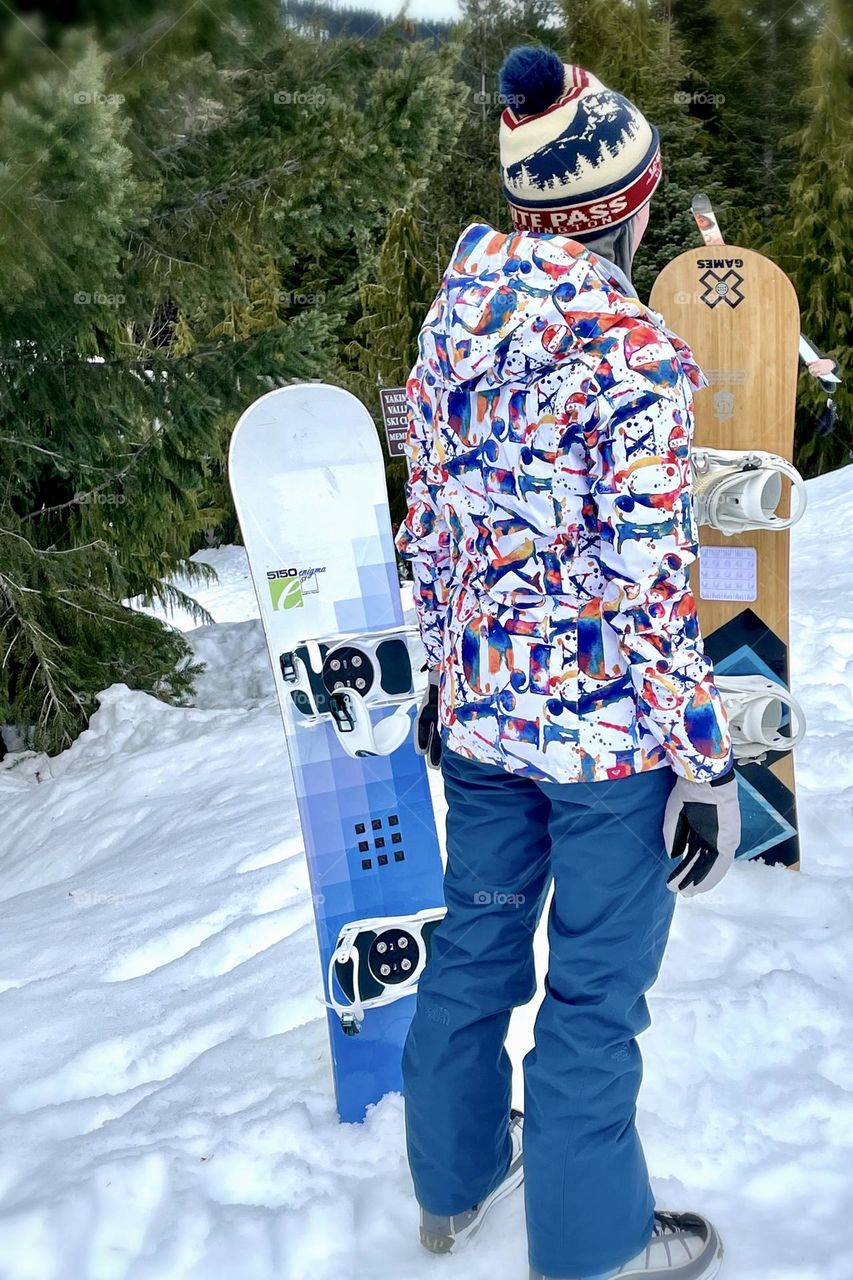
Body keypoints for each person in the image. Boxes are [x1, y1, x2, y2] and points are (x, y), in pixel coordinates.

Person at [394, 45, 741, 1280]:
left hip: (485, 719)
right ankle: (593, 1243)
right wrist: (703, 764)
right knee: (594, 995)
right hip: (603, 746)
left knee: (475, 945)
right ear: (626, 205)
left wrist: (444, 677)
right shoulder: (632, 357)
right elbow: (648, 586)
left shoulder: (453, 324)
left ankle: (454, 1182)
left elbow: (427, 526)